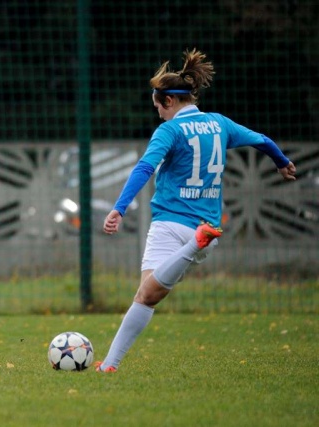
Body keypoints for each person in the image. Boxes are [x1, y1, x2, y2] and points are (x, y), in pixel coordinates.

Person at [95, 49, 296, 373]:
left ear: (169, 101)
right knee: (147, 295)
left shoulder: (170, 131)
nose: (159, 114)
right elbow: (261, 139)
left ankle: (111, 363)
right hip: (207, 227)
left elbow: (145, 167)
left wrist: (119, 208)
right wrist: (282, 162)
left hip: (170, 223)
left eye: (158, 107)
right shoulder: (219, 124)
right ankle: (109, 366)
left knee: (145, 296)